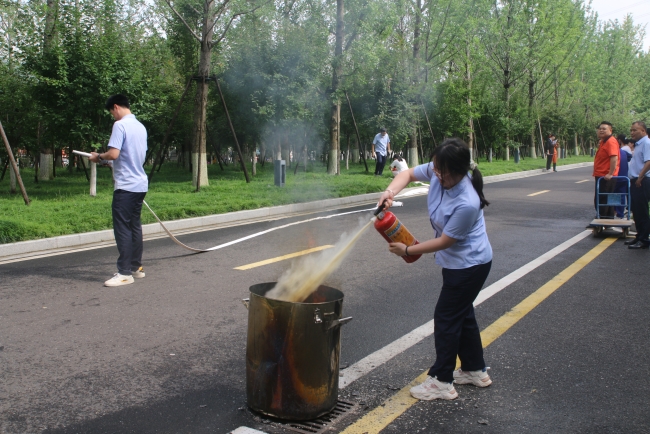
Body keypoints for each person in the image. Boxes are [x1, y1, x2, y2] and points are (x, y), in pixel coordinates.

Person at [377, 138, 493, 401]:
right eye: (436, 169)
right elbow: (407, 174)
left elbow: (445, 241)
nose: (437, 175)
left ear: (460, 170)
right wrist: (390, 193)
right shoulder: (440, 169)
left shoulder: (467, 201)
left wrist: (407, 250)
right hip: (461, 263)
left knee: (446, 318)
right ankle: (475, 369)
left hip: (469, 265)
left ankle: (441, 381)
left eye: (443, 172)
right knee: (462, 314)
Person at [89, 94, 148, 286]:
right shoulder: (140, 127)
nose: (113, 116)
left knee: (122, 228)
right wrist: (107, 161)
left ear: (116, 107)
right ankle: (136, 267)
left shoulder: (120, 125)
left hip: (125, 186)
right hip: (140, 184)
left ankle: (124, 273)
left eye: (111, 112)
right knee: (134, 226)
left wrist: (99, 157)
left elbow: (113, 154)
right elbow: (130, 157)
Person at [625, 121, 650, 249]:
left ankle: (644, 239)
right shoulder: (638, 144)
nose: (632, 132)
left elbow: (649, 161)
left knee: (642, 211)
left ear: (643, 131)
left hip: (642, 181)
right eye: (631, 130)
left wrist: (640, 177)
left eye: (635, 130)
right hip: (635, 180)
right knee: (636, 210)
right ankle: (639, 236)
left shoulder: (647, 143)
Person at [592, 122, 619, 219]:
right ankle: (607, 220)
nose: (601, 130)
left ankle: (602, 220)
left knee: (603, 200)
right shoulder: (604, 141)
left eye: (604, 129)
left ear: (610, 130)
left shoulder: (611, 141)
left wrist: (610, 173)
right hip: (602, 175)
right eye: (600, 129)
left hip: (606, 176)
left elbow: (614, 158)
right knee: (606, 199)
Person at [614, 135, 631, 219]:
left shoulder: (613, 153)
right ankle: (620, 214)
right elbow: (630, 157)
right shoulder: (624, 152)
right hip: (624, 178)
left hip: (615, 178)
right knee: (622, 196)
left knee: (613, 195)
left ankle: (613, 212)